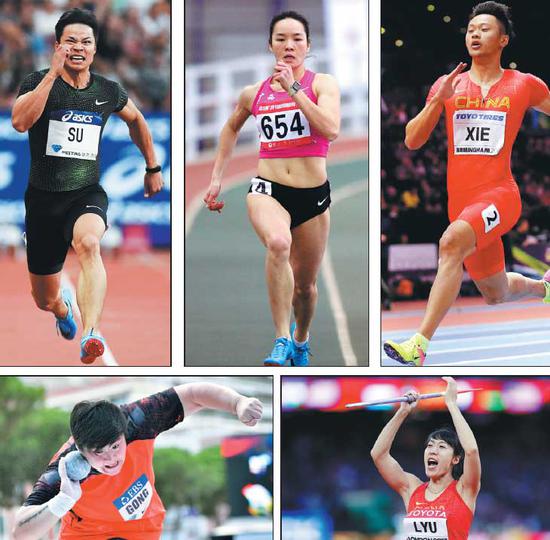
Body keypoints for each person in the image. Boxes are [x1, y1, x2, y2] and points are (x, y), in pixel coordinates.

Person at [383, 1, 550, 365]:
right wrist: (435, 103)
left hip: (500, 196)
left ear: (503, 39)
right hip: (461, 203)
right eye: (471, 28)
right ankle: (543, 288)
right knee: (495, 292)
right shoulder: (448, 84)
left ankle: (418, 345)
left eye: (484, 28)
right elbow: (412, 140)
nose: (475, 33)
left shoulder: (523, 84)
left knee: (450, 243)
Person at [11, 8, 164, 364]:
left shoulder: (107, 91)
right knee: (43, 299)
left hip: (86, 194)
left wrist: (152, 166)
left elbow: (137, 120)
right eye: (71, 42)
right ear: (58, 46)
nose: (78, 48)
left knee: (90, 243)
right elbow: (20, 121)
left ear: (95, 49)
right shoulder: (37, 82)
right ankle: (63, 310)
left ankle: (91, 331)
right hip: (43, 201)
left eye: (86, 42)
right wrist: (52, 74)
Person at [203, 11, 340, 366]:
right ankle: (280, 338)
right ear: (270, 45)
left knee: (305, 289)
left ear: (308, 46)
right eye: (281, 39)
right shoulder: (255, 93)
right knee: (279, 244)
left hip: (312, 196)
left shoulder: (322, 84)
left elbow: (330, 129)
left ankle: (300, 338)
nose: (289, 45)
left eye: (297, 39)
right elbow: (230, 129)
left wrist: (294, 89)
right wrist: (218, 176)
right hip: (268, 189)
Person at [12, 382, 264, 539]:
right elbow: (21, 533)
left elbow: (194, 393)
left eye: (115, 446)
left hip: (141, 527)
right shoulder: (63, 469)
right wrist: (63, 500)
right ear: (80, 448)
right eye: (99, 452)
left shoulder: (139, 419)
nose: (111, 459)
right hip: (85, 533)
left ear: (124, 432)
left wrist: (237, 403)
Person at [371, 377, 481, 539]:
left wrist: (451, 404)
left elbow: (471, 450)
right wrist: (402, 412)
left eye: (441, 447)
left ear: (455, 459)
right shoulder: (412, 489)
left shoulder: (465, 490)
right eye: (430, 446)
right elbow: (378, 455)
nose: (432, 451)